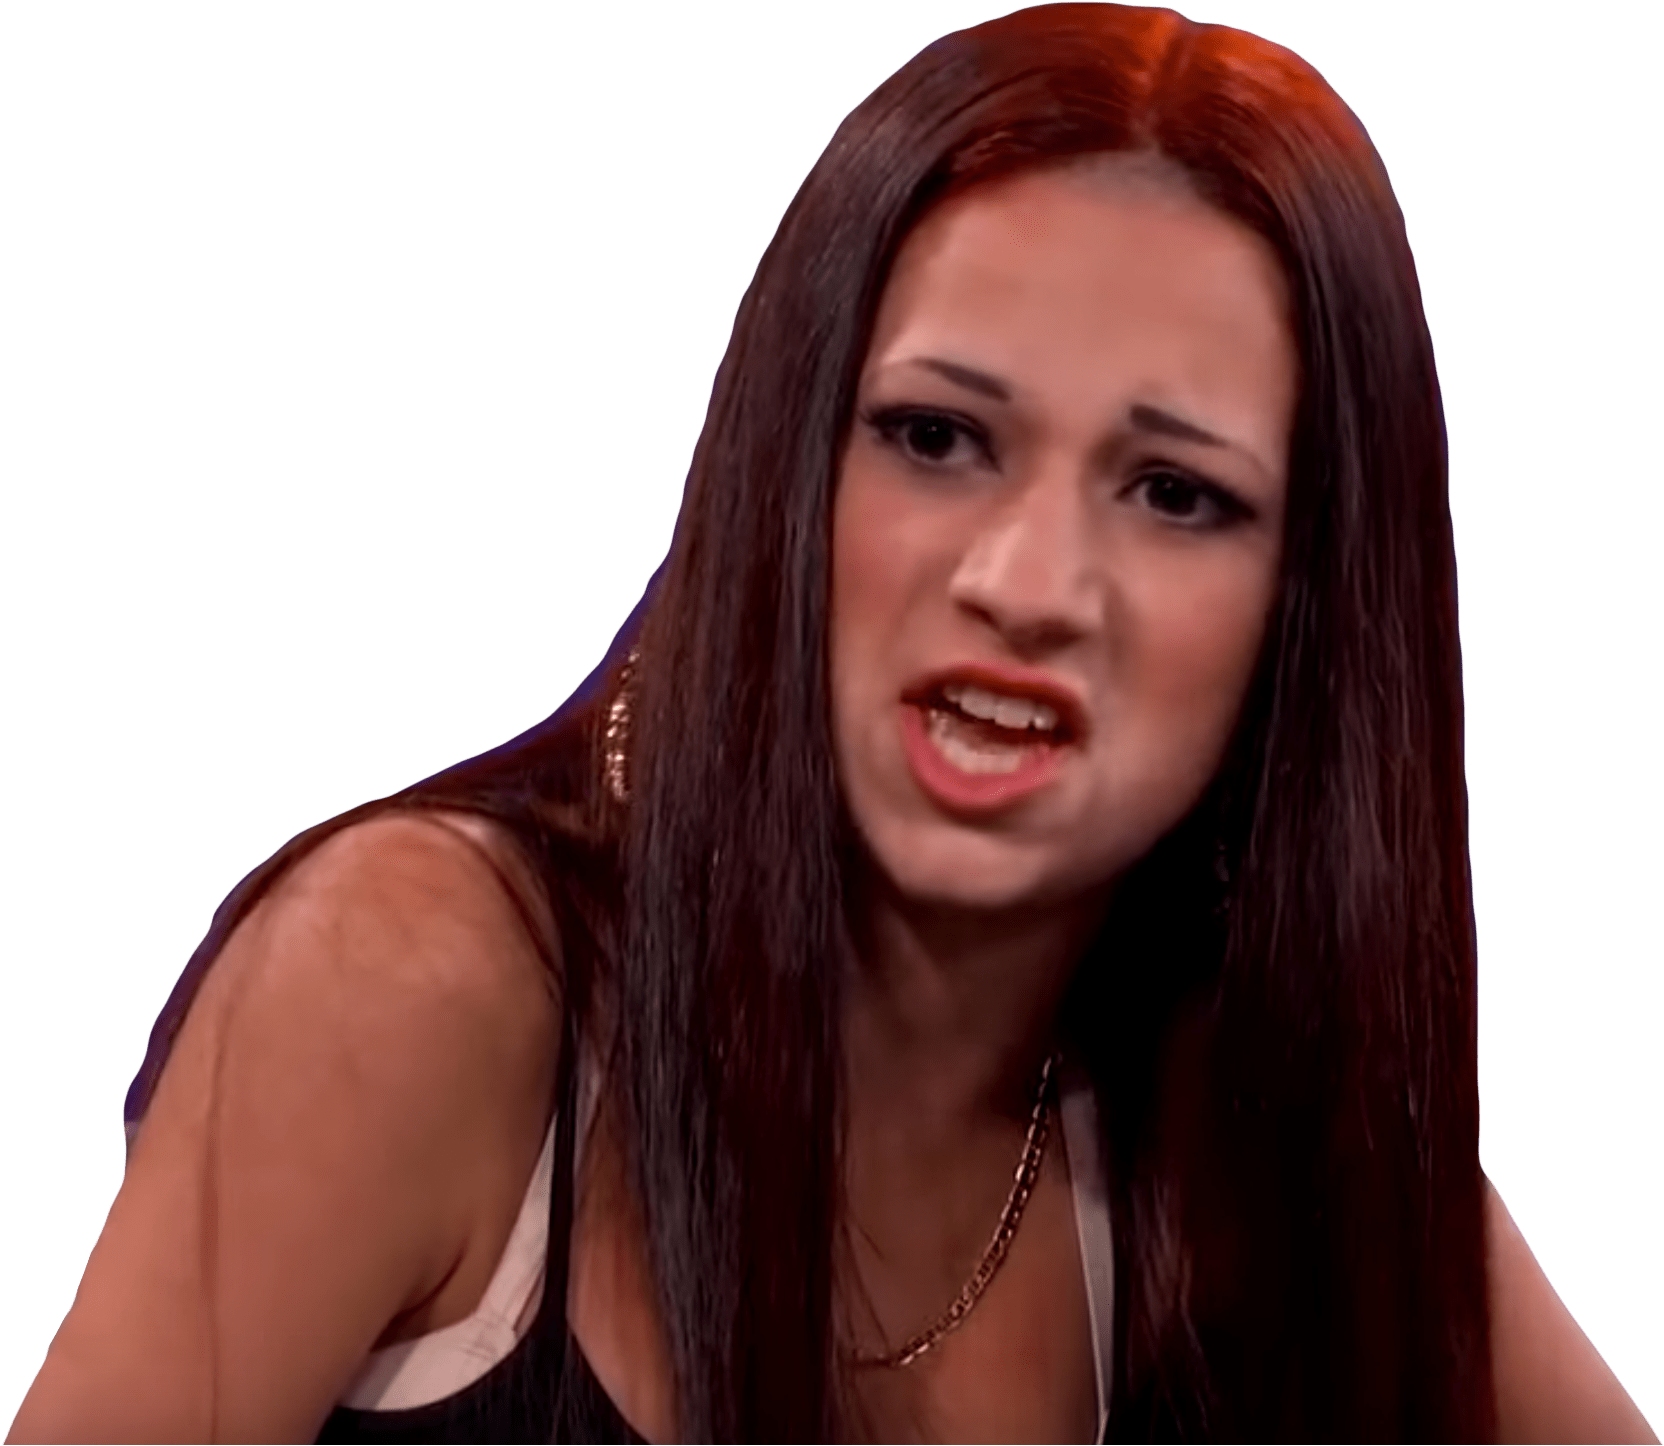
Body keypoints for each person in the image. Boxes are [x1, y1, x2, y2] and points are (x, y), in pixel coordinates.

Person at [8, 5, 1657, 1443]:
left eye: (1174, 491)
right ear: (787, 470)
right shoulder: (417, 973)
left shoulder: (1234, 1104)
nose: (1025, 584)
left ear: (1313, 610)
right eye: (936, 435)